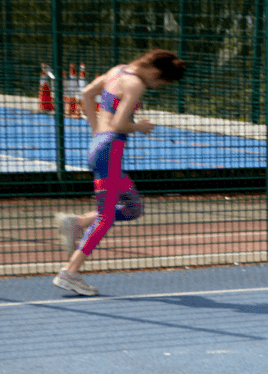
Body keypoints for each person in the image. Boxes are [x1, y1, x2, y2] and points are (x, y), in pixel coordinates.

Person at [52, 49, 186, 297]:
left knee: (134, 208)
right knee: (105, 218)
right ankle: (70, 272)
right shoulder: (135, 84)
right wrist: (141, 126)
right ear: (156, 72)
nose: (157, 87)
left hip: (100, 147)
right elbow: (119, 124)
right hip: (110, 152)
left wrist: (95, 129)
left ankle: (77, 222)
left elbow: (86, 93)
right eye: (161, 82)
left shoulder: (116, 70)